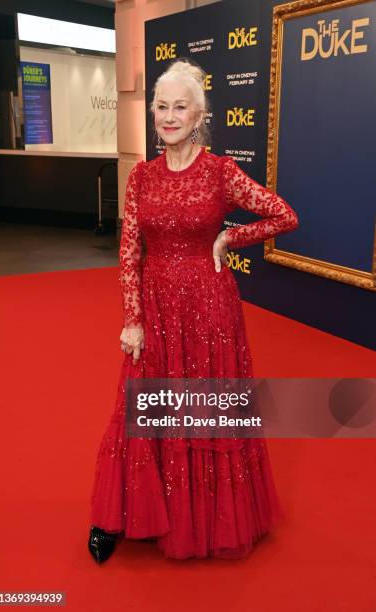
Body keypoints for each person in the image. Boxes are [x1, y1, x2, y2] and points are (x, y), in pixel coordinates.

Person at [88, 58, 299, 562]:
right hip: (156, 306)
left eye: (180, 106)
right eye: (161, 106)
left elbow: (284, 215)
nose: (168, 115)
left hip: (210, 310)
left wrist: (231, 235)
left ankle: (201, 515)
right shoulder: (141, 176)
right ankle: (118, 515)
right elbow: (129, 250)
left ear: (200, 114)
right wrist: (132, 318)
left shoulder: (221, 172)